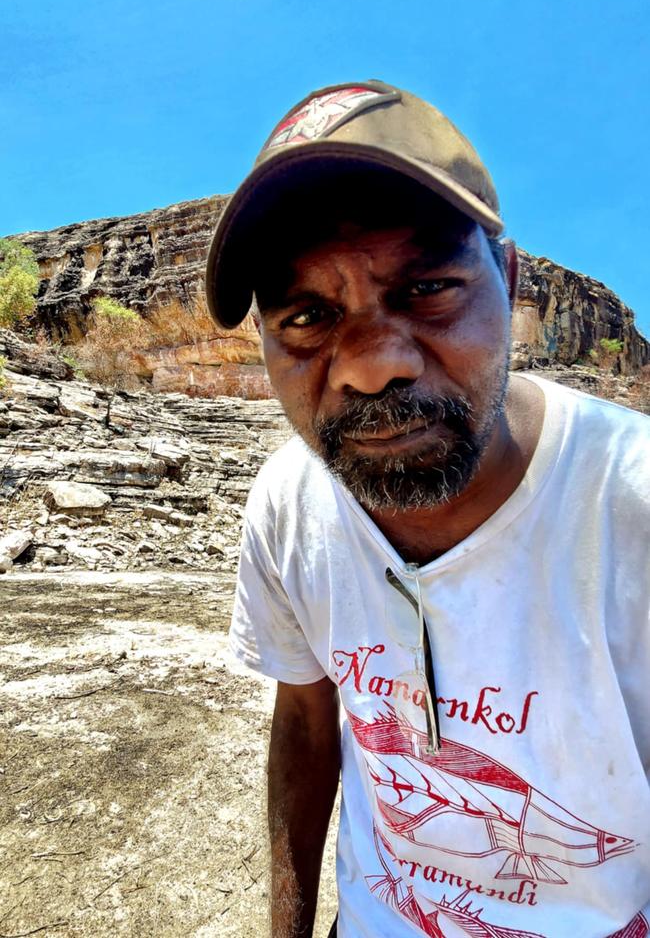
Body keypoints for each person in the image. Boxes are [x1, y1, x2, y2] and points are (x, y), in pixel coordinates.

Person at [204, 81, 650, 937]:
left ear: (509, 281)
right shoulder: (289, 504)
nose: (373, 366)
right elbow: (305, 716)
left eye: (429, 288)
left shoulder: (627, 504)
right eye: (306, 316)